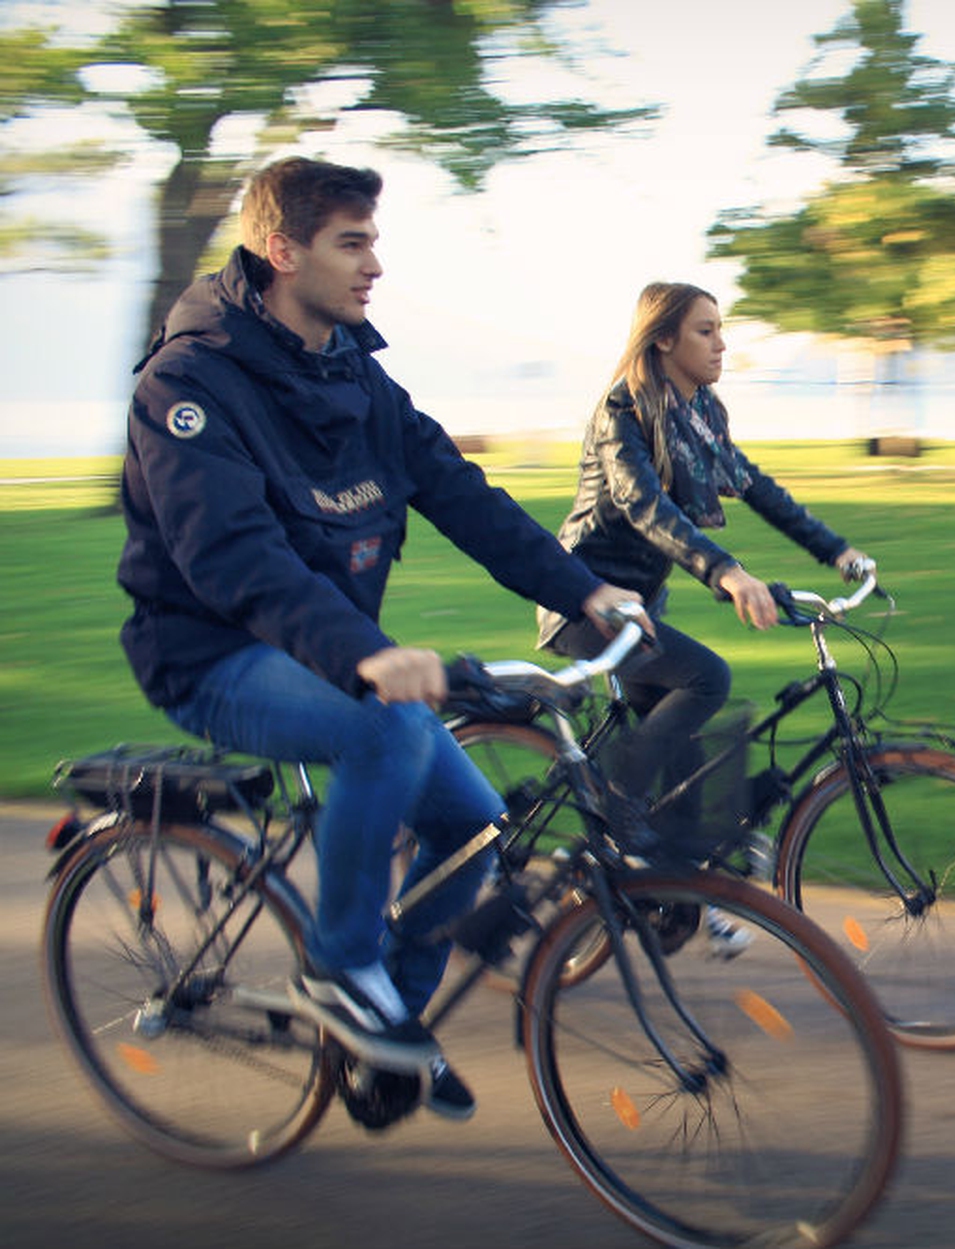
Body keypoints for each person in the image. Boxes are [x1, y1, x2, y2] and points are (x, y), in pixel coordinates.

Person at [117, 156, 643, 1122]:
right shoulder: (186, 383)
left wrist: (585, 590)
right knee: (387, 726)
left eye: (373, 242)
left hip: (322, 647)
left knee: (474, 825)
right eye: (351, 243)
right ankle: (341, 968)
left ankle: (381, 1028)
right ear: (283, 250)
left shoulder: (352, 371)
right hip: (209, 655)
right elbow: (232, 554)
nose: (374, 266)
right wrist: (362, 654)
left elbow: (459, 493)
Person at [537, 281, 869, 860]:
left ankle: (668, 883)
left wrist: (836, 551)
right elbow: (644, 506)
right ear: (664, 339)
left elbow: (755, 485)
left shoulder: (700, 413)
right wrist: (728, 573)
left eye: (720, 330)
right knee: (706, 679)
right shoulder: (622, 412)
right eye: (705, 331)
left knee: (685, 766)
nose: (721, 344)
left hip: (638, 608)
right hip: (585, 597)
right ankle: (616, 803)